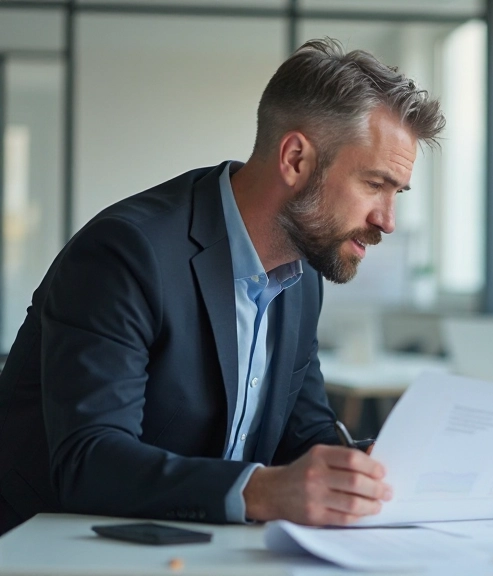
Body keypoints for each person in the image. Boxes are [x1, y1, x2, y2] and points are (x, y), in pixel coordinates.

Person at [0, 39, 445, 534]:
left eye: (396, 193)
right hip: (52, 548)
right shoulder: (127, 253)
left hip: (197, 548)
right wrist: (265, 491)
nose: (388, 221)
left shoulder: (301, 278)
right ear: (296, 159)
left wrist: (381, 469)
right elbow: (90, 459)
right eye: (374, 184)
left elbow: (306, 438)